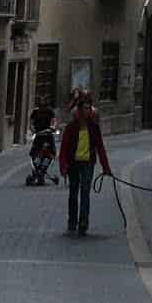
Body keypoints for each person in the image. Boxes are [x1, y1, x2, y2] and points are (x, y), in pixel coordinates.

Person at [58, 93, 111, 235]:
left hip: (88, 163)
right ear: (80, 110)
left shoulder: (94, 127)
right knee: (73, 193)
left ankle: (83, 222)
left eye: (89, 108)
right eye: (85, 108)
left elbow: (100, 148)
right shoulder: (71, 127)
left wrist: (106, 168)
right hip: (73, 164)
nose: (88, 111)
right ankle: (72, 221)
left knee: (85, 192)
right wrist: (63, 166)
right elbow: (64, 147)